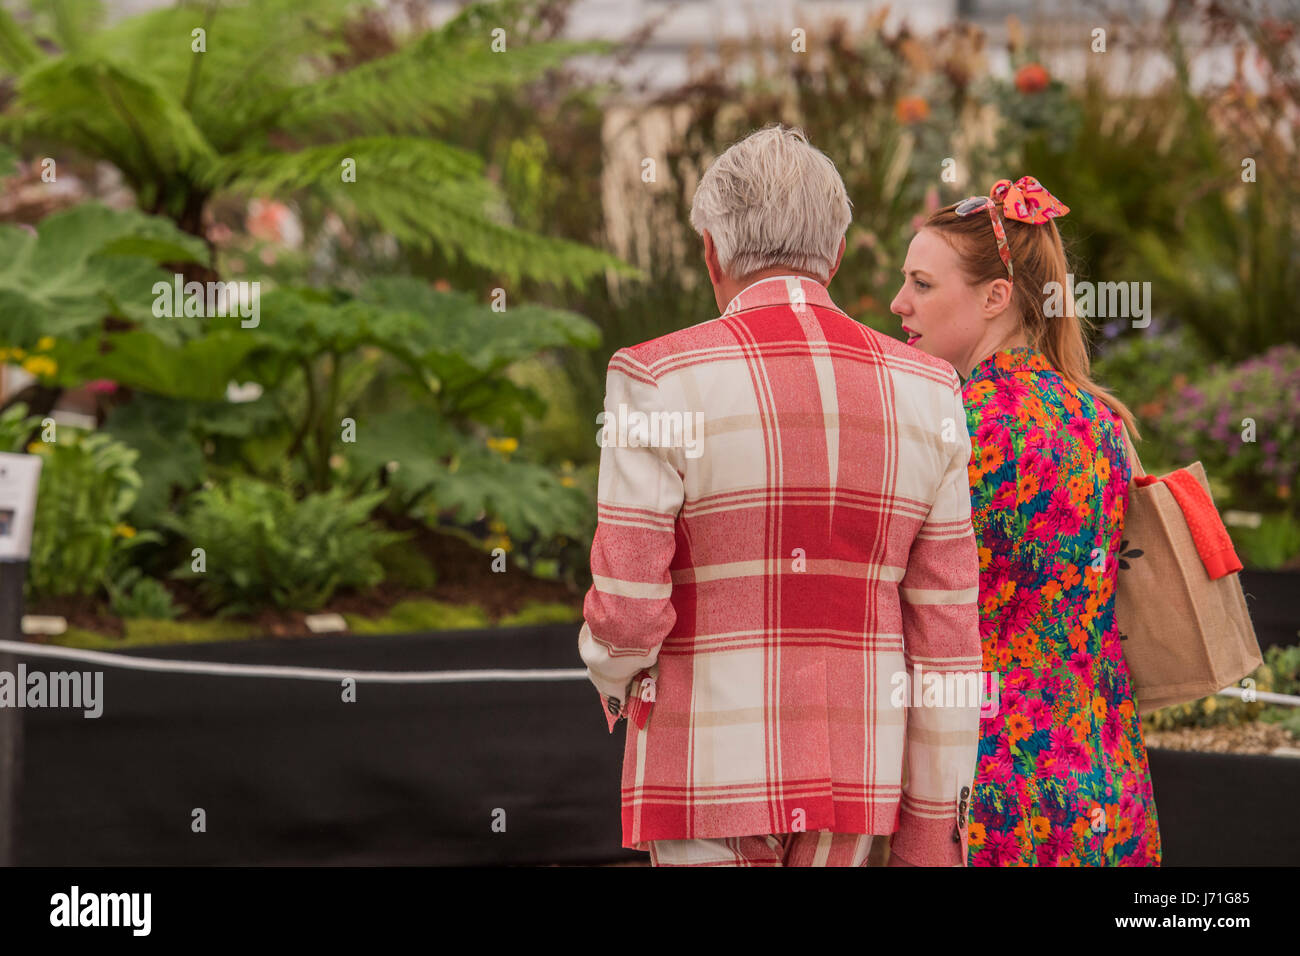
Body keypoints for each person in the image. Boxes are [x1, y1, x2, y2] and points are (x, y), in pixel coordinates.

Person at [577, 125, 982, 867]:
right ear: (835, 253)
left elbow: (627, 614)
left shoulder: (654, 377)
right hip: (859, 776)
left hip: (701, 767)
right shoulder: (931, 391)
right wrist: (934, 826)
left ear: (711, 252)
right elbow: (947, 643)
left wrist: (615, 678)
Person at [890, 176, 1162, 866]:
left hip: (988, 782)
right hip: (1104, 771)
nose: (899, 305)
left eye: (921, 284)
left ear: (995, 296)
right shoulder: (1101, 419)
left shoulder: (953, 426)